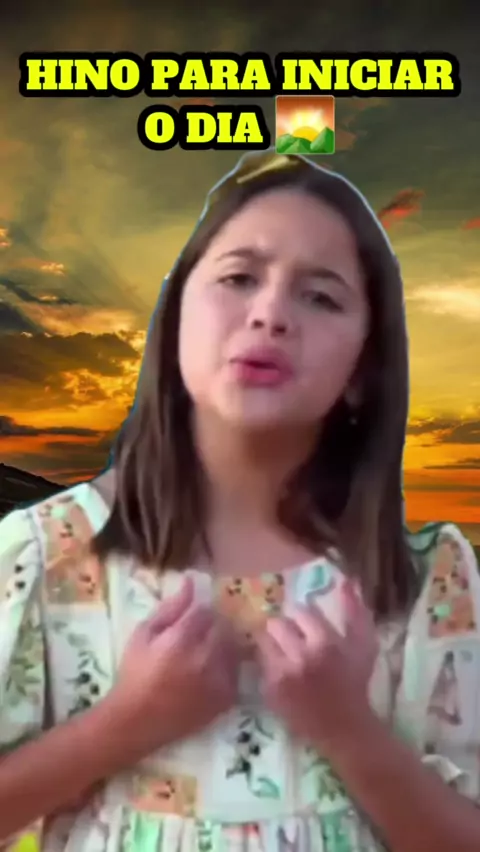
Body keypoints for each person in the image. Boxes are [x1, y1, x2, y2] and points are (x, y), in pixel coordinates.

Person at [0, 150, 479, 852]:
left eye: (321, 297)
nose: (271, 313)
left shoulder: (424, 580)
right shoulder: (44, 555)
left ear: (363, 368)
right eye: (239, 277)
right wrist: (124, 724)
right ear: (175, 320)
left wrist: (349, 730)